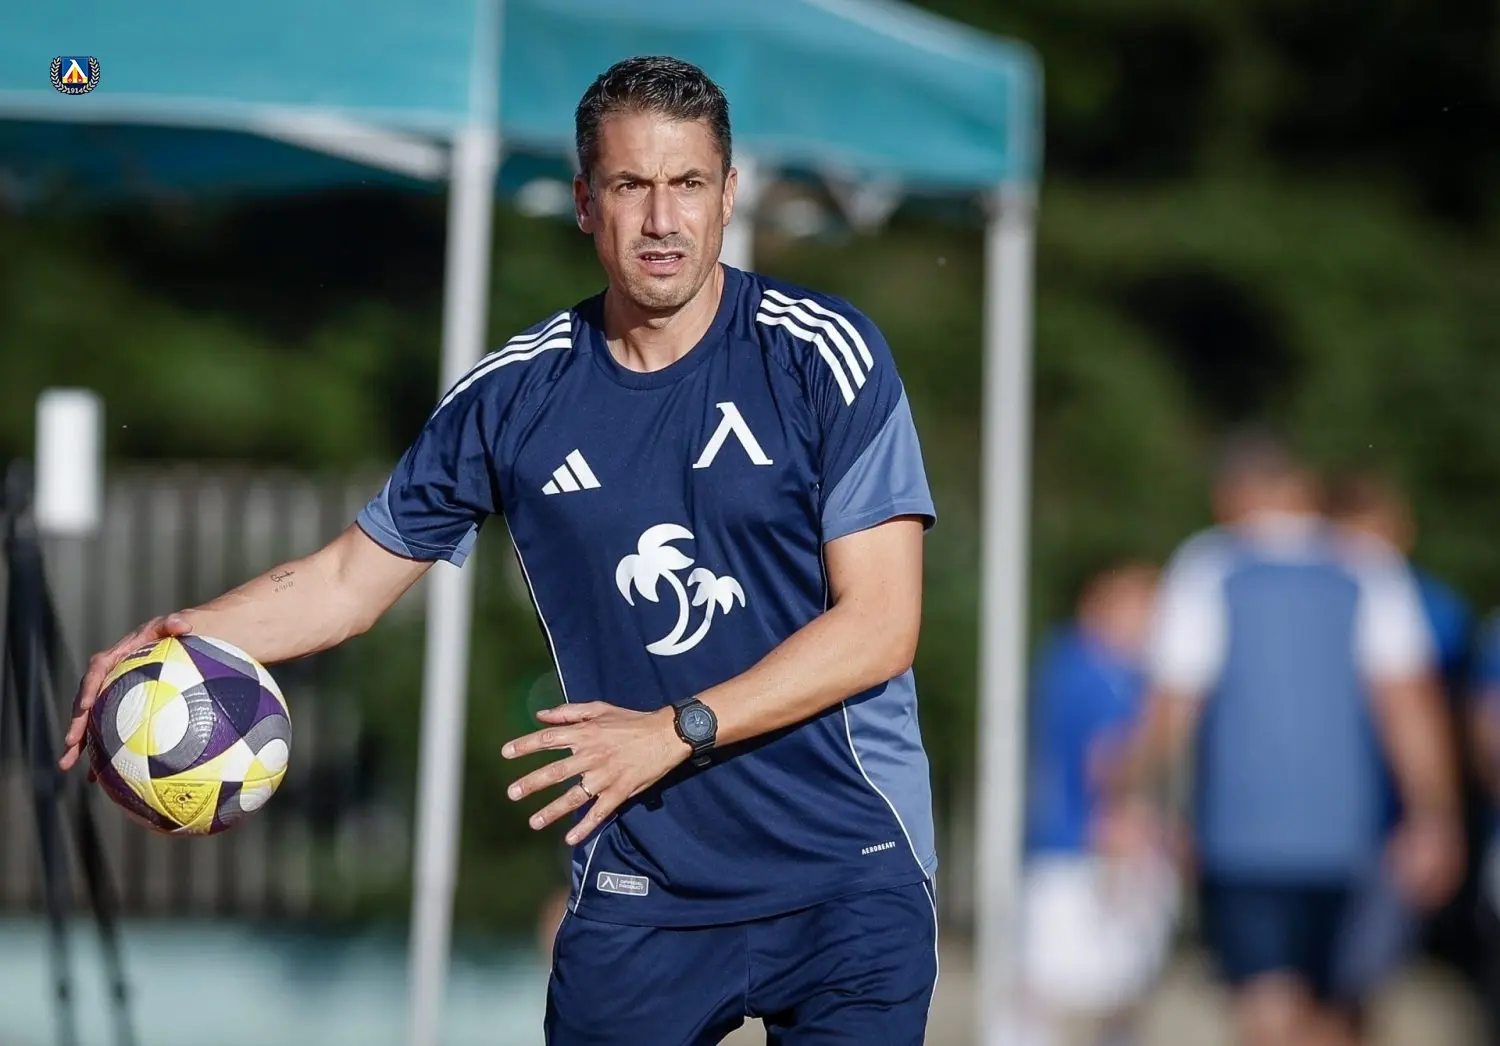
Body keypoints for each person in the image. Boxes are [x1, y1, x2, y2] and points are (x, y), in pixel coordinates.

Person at [60, 55, 940, 1045]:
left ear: (729, 194)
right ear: (584, 202)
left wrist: (674, 729)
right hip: (643, 885)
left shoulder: (821, 354)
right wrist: (180, 637)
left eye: (688, 183)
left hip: (847, 876)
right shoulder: (513, 396)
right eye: (631, 185)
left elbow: (880, 624)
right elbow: (347, 582)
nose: (663, 219)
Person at [1111, 432, 1465, 1046]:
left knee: (1266, 1009)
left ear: (1232, 494)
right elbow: (1409, 708)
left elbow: (1171, 709)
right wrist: (1436, 816)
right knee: (1339, 1010)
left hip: (1242, 837)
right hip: (1349, 836)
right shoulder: (1367, 566)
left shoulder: (1210, 565)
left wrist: (1130, 799)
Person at [1014, 562, 1180, 1046]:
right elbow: (1110, 763)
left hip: (1061, 845)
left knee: (1050, 997)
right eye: (1146, 611)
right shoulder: (1104, 674)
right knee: (1098, 999)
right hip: (1089, 854)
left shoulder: (1063, 661)